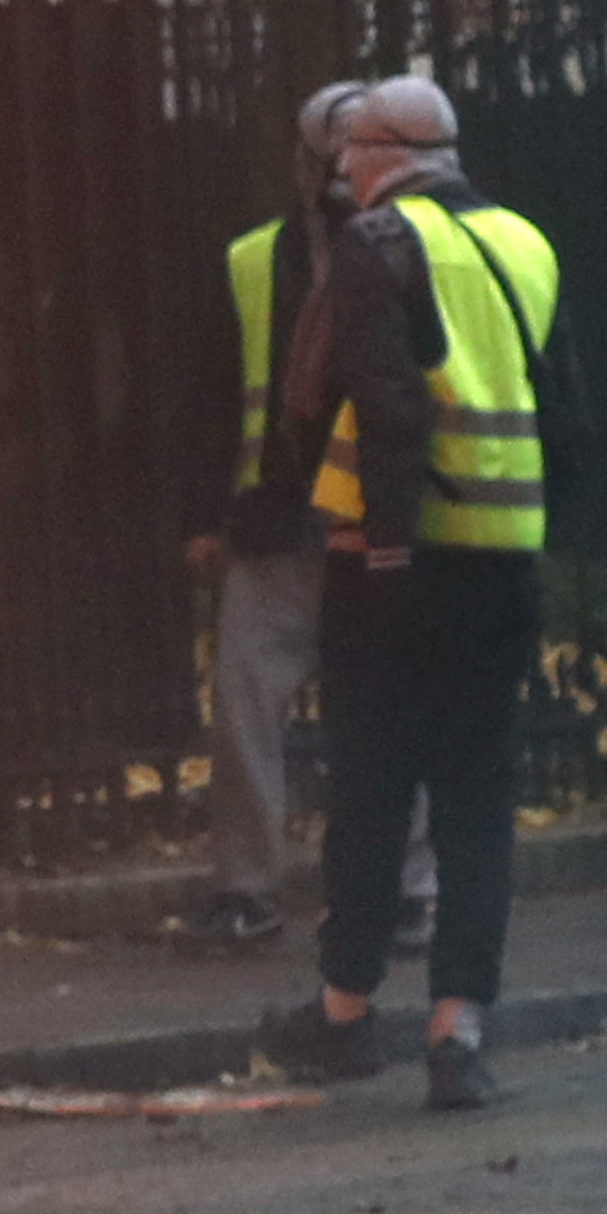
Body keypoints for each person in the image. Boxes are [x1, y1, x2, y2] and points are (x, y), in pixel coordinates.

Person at [260, 74, 561, 1113]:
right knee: (478, 796)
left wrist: (386, 540)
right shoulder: (527, 243)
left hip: (390, 557)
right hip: (501, 553)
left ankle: (345, 1016)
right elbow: (561, 406)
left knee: (374, 784)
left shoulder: (377, 243)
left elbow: (386, 401)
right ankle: (457, 1032)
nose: (341, 168)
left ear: (385, 154)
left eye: (353, 152)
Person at [184, 82, 428, 953]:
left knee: (381, 706)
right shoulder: (256, 261)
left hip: (365, 512)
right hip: (284, 516)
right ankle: (252, 887)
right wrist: (209, 513)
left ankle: (400, 887)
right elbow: (218, 389)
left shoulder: (411, 248)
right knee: (251, 707)